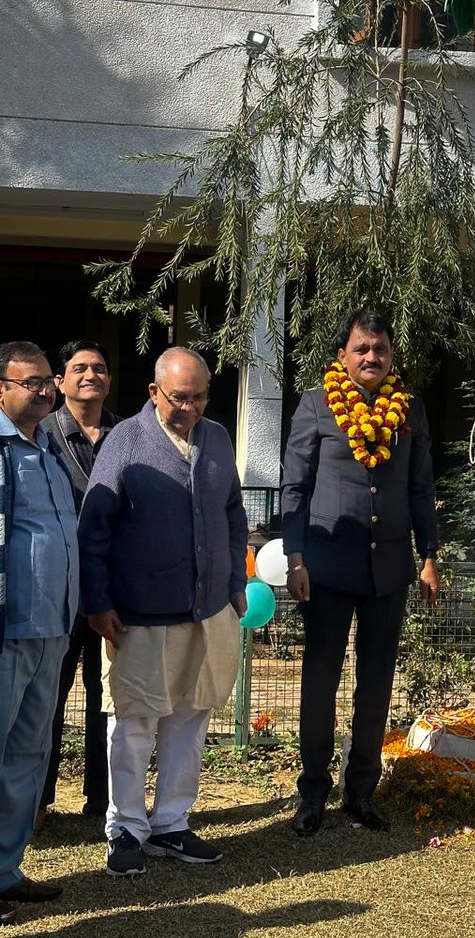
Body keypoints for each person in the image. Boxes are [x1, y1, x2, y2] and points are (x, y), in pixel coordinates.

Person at [79, 347, 248, 878]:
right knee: (133, 723)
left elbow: (234, 513)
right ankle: (126, 827)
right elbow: (93, 528)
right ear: (155, 392)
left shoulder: (217, 437)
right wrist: (97, 601)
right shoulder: (125, 441)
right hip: (139, 615)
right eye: (179, 398)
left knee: (190, 719)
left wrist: (235, 582)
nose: (190, 408)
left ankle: (172, 823)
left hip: (207, 611)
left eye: (199, 397)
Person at [282, 308, 439, 837]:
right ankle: (312, 793)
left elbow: (420, 487)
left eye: (380, 349)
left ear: (391, 355)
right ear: (343, 355)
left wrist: (429, 555)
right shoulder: (316, 403)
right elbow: (295, 488)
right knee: (319, 683)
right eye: (362, 349)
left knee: (375, 685)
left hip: (388, 569)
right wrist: (296, 559)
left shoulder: (410, 407)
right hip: (326, 568)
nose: (372, 357)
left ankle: (362, 792)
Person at [0, 340, 78, 924]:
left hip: (53, 627)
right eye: (32, 382)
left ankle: (6, 870)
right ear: (0, 389)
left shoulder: (49, 448)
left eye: (49, 380)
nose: (46, 390)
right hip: (8, 628)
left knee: (30, 753)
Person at [38, 341, 121, 829]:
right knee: (48, 695)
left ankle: (102, 800)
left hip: (112, 588)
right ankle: (39, 798)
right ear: (60, 381)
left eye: (100, 368)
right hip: (58, 588)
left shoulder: (128, 434)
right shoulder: (42, 435)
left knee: (107, 696)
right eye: (80, 368)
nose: (92, 375)